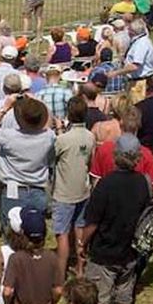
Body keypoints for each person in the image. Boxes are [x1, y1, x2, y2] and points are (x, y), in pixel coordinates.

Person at [80, 133, 152, 304]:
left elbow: (92, 222)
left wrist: (82, 243)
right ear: (138, 157)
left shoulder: (105, 184)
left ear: (116, 155)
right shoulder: (144, 183)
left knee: (101, 303)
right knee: (124, 301)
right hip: (131, 251)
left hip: (104, 252)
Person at [0, 96, 55, 216]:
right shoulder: (47, 137)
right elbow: (49, 124)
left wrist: (5, 108)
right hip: (37, 190)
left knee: (11, 229)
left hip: (13, 189)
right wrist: (40, 104)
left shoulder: (8, 136)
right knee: (35, 229)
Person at [1, 206, 63, 304]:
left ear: (22, 232)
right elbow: (58, 290)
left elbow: (7, 292)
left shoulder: (16, 258)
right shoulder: (52, 258)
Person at [53, 97, 94, 279]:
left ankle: (60, 274)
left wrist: (59, 128)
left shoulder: (63, 139)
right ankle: (80, 268)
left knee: (61, 234)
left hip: (64, 192)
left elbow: (52, 158)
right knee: (79, 230)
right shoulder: (90, 136)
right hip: (83, 189)